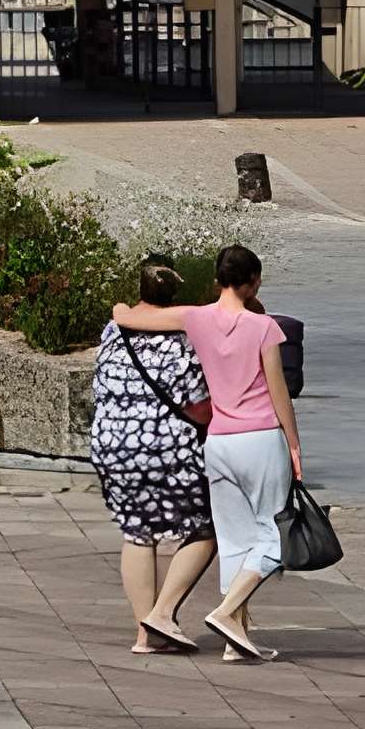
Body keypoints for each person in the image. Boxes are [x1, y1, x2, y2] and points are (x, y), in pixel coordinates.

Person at [113, 243, 305, 662]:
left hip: (218, 443)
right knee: (275, 533)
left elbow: (131, 317)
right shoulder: (265, 328)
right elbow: (279, 392)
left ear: (218, 280)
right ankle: (226, 612)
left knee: (234, 538)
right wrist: (293, 444)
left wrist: (118, 307)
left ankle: (236, 640)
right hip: (260, 438)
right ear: (254, 282)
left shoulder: (195, 318)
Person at [89, 256, 217, 655]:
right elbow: (198, 406)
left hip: (111, 444)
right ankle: (162, 614)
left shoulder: (114, 328)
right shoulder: (182, 336)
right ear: (175, 291)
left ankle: (146, 635)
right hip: (165, 446)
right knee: (206, 525)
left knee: (137, 532)